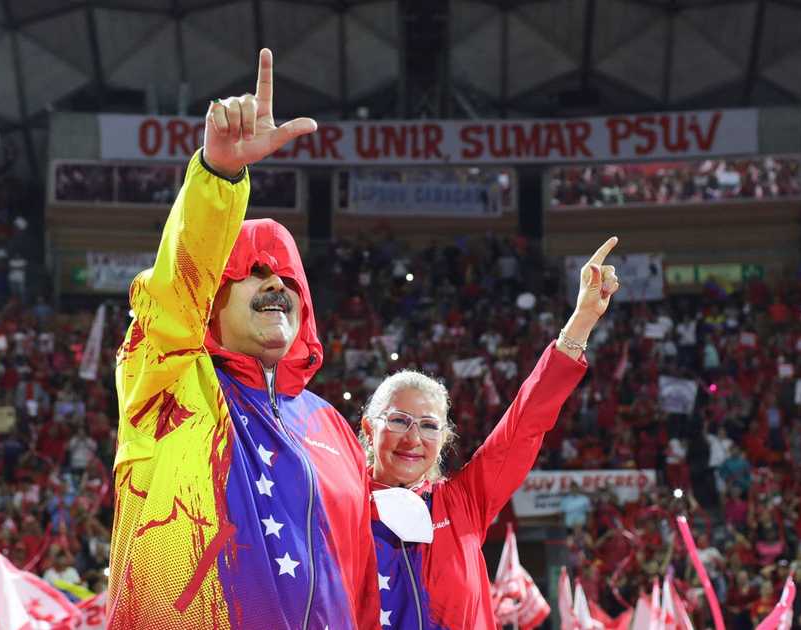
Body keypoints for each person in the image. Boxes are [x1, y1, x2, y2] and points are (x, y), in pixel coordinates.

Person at [107, 48, 380, 628]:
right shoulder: (171, 384)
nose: (276, 283)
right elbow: (173, 294)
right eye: (253, 272)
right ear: (210, 300)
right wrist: (220, 176)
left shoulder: (333, 426)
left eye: (288, 277)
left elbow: (359, 584)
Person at [359, 238, 620, 628]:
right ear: (369, 426)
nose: (413, 438)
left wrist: (581, 320)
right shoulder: (341, 508)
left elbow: (527, 421)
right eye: (399, 420)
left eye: (429, 426)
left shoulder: (464, 502)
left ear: (444, 440)